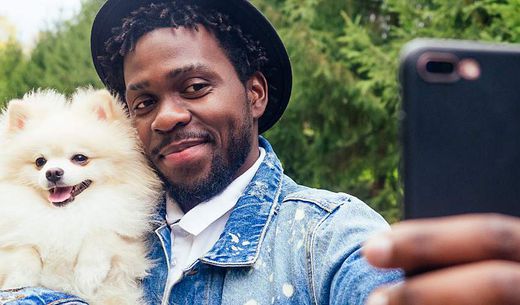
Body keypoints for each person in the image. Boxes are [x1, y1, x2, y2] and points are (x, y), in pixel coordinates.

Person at [2, 0, 519, 304]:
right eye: (144, 101)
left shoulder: (330, 239)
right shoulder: (79, 220)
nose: (167, 115)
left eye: (196, 87)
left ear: (254, 93)